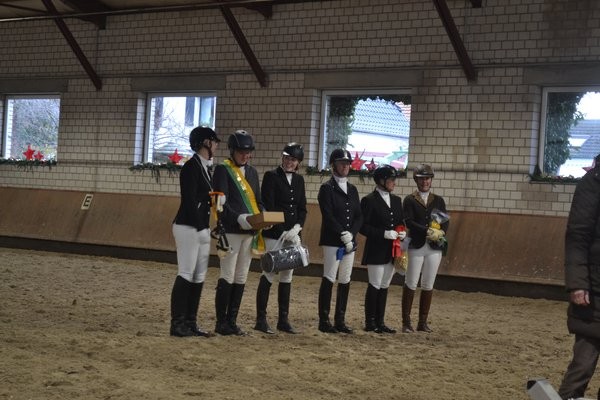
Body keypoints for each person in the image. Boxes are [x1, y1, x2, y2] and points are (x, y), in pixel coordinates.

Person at [170, 126, 221, 337]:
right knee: (186, 272)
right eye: (214, 142)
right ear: (206, 143)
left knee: (199, 275)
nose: (216, 146)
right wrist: (200, 227)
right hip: (187, 226)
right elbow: (189, 201)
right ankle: (177, 323)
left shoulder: (206, 168)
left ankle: (191, 322)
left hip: (201, 227)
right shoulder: (191, 167)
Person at [212, 130, 263, 336]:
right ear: (232, 151)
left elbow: (258, 201)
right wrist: (238, 218)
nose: (245, 156)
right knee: (227, 274)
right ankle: (221, 321)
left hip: (250, 232)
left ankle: (232, 320)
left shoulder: (252, 173)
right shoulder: (223, 170)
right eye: (242, 152)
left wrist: (263, 218)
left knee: (241, 276)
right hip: (231, 230)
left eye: (248, 152)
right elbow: (220, 203)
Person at [254, 142, 307, 335]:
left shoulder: (299, 180)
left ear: (298, 162)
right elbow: (270, 205)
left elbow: (302, 208)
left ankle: (283, 320)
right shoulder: (271, 176)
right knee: (269, 273)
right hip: (275, 234)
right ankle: (261, 319)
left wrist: (297, 228)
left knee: (287, 276)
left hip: (293, 235)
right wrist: (284, 230)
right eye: (286, 158)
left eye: (293, 159)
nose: (289, 162)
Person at [558, 160, 600, 400]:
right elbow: (577, 235)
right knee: (583, 364)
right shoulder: (592, 183)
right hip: (593, 290)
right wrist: (578, 284)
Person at [317, 148, 363, 334]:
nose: (345, 166)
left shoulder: (352, 189)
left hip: (349, 242)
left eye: (347, 163)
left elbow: (359, 216)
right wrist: (342, 233)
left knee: (345, 278)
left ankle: (340, 320)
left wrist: (351, 234)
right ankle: (323, 320)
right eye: (341, 163)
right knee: (329, 276)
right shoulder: (326, 188)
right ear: (333, 165)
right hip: (332, 241)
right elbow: (328, 215)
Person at [401, 164, 449, 333]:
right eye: (421, 179)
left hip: (434, 247)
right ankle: (406, 322)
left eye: (427, 179)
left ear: (431, 180)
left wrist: (441, 232)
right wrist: (427, 231)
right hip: (416, 245)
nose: (425, 182)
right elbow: (409, 221)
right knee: (411, 282)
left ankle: (422, 322)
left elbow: (445, 221)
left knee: (428, 284)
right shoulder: (409, 200)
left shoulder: (438, 200)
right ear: (416, 180)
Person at [359, 165, 407, 334]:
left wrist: (402, 232)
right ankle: (370, 321)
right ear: (381, 181)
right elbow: (363, 227)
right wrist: (384, 233)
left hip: (392, 250)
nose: (394, 183)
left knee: (385, 285)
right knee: (375, 284)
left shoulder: (397, 200)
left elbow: (400, 222)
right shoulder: (369, 200)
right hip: (376, 249)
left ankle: (380, 321)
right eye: (391, 180)